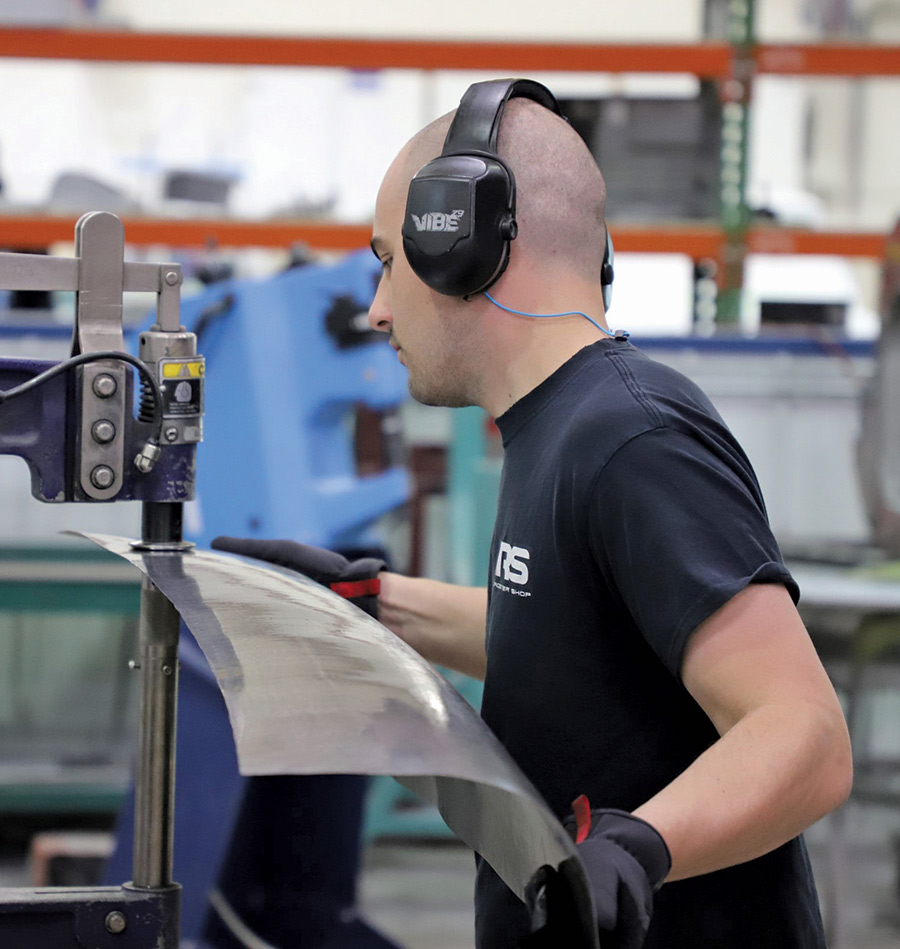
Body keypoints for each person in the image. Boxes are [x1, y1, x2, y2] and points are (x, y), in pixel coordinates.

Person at [217, 79, 852, 948]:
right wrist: (374, 604)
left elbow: (806, 731)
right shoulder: (558, 425)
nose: (376, 308)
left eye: (387, 261)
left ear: (459, 245)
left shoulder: (634, 437)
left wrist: (642, 847)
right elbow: (579, 634)